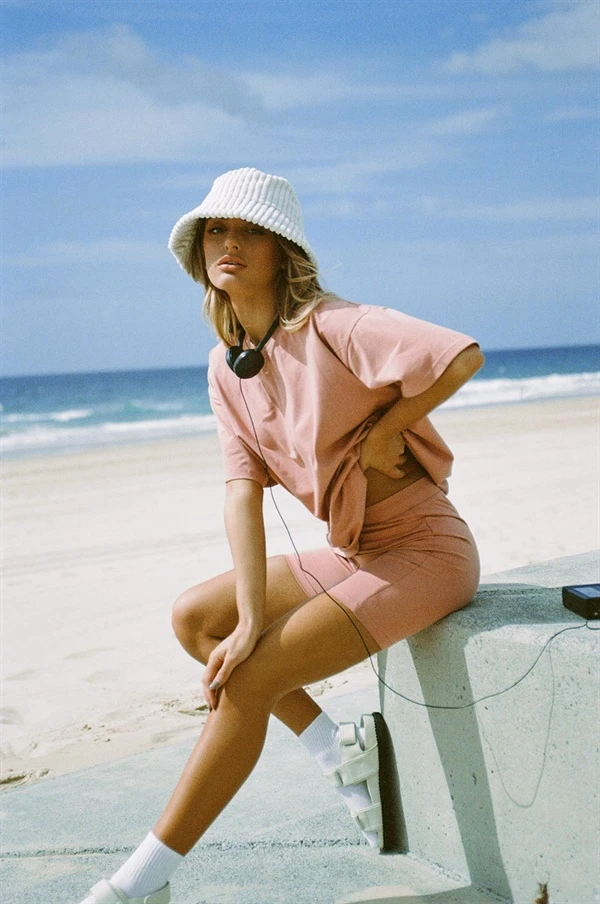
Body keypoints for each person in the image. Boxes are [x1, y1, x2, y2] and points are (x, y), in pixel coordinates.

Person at [79, 167, 484, 904]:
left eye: (249, 231)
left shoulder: (335, 324)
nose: (228, 243)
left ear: (282, 250)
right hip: (354, 551)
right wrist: (250, 617)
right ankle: (337, 751)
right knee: (198, 620)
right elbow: (241, 490)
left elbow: (460, 354)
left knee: (248, 677)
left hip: (424, 551)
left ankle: (139, 885)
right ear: (200, 251)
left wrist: (389, 429)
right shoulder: (226, 366)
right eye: (216, 230)